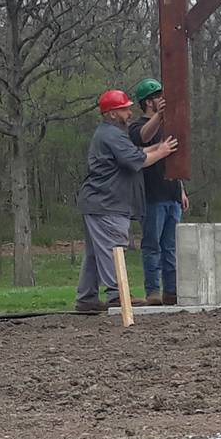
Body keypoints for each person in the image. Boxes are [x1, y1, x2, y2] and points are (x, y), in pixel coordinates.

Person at [76, 89, 176, 315]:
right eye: (124, 109)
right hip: (107, 202)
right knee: (113, 247)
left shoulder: (110, 133)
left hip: (98, 202)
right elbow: (136, 160)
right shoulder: (112, 134)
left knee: (94, 253)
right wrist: (162, 152)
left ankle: (87, 298)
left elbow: (135, 151)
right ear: (112, 114)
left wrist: (156, 148)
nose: (129, 112)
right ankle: (116, 294)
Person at [128, 77, 189, 306]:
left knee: (170, 247)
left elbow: (174, 158)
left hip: (171, 194)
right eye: (157, 97)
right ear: (148, 102)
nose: (162, 100)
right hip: (152, 196)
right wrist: (159, 116)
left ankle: (171, 290)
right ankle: (153, 291)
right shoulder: (136, 127)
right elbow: (142, 138)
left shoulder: (167, 125)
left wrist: (181, 189)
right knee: (152, 246)